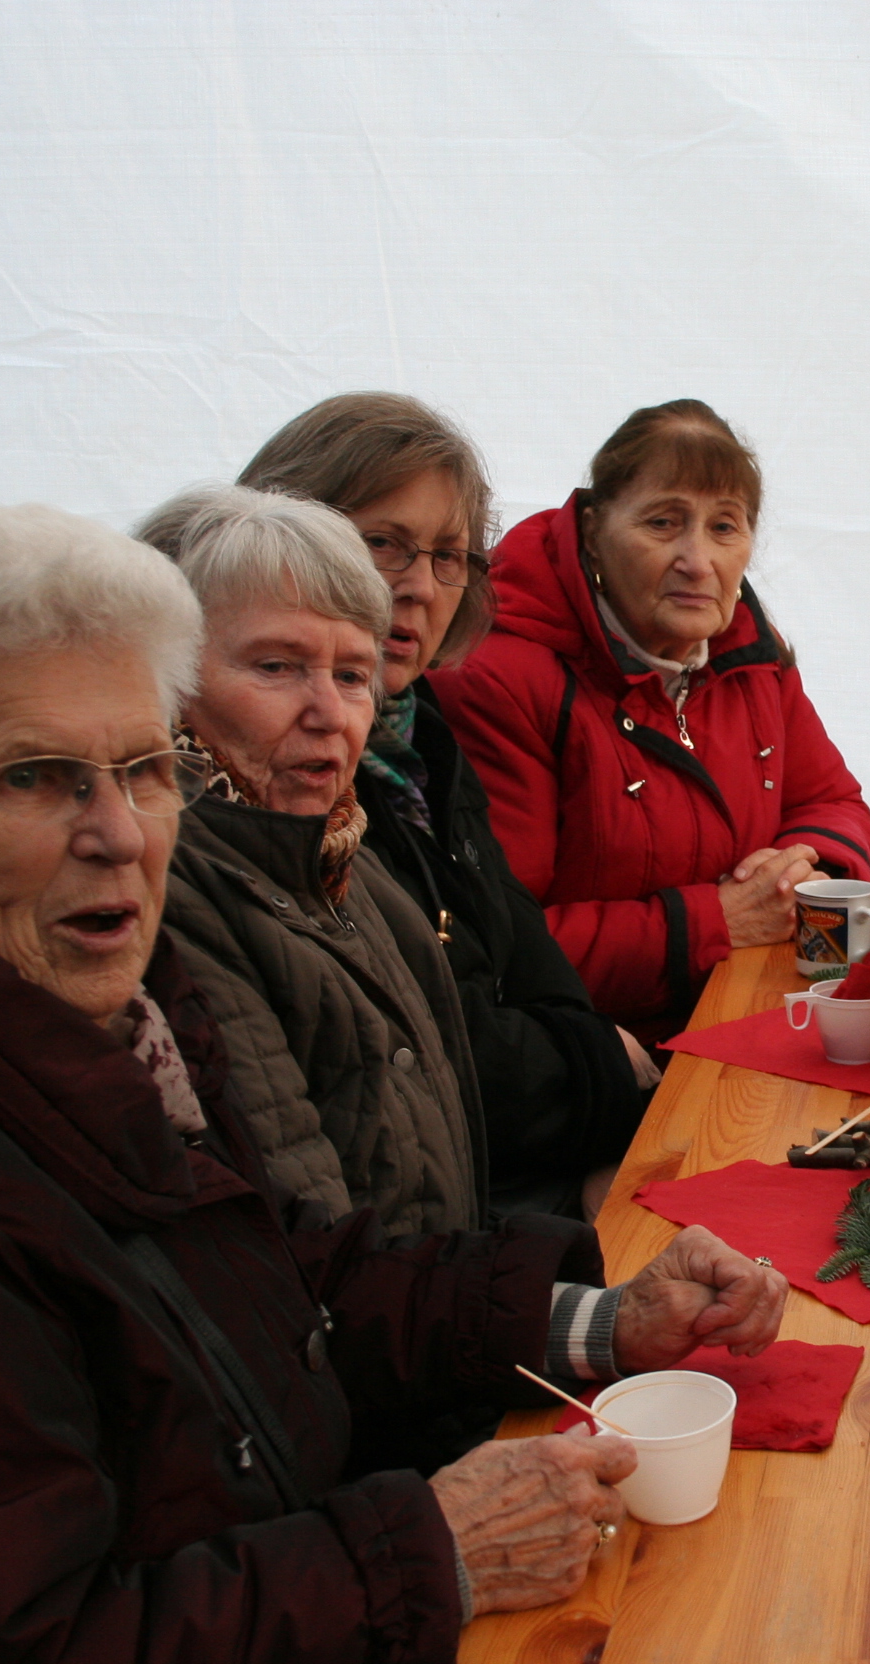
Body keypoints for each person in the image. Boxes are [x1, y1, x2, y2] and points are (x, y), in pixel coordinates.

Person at [0, 505, 787, 1660]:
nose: (120, 834)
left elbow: (285, 1287)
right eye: (36, 775)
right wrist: (428, 1548)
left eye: (145, 768)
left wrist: (602, 1320)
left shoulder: (101, 1009)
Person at [169, 393, 651, 1221]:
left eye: (449, 555)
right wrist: (606, 1072)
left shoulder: (420, 734)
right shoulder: (269, 799)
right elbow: (431, 1061)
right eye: (383, 543)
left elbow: (525, 962)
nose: (420, 585)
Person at [431, 399, 870, 1038]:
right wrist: (715, 922)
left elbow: (831, 801)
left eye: (725, 527)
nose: (698, 560)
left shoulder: (751, 651)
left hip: (743, 1015)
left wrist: (806, 880)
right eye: (664, 523)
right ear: (593, 531)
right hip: (602, 1054)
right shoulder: (498, 678)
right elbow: (504, 945)